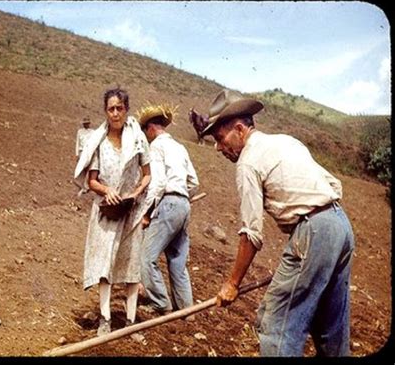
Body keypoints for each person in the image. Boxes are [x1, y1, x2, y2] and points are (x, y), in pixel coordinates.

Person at [200, 89, 355, 357]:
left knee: (276, 325)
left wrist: (232, 284)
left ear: (239, 128)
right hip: (340, 225)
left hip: (314, 231)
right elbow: (332, 183)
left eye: (220, 137)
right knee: (331, 327)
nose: (218, 146)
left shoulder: (247, 163)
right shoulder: (285, 141)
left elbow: (252, 234)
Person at [73, 88, 151, 336]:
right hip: (107, 211)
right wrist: (107, 191)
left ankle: (129, 323)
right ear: (105, 111)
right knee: (104, 265)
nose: (115, 113)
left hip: (131, 210)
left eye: (119, 108)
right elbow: (92, 180)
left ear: (126, 109)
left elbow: (148, 174)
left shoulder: (138, 139)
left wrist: (136, 192)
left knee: (130, 265)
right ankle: (105, 320)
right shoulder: (99, 142)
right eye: (111, 108)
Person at [136, 103, 199, 315]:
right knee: (178, 260)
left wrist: (146, 213)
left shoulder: (156, 147)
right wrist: (181, 196)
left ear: (151, 128)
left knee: (147, 257)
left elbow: (158, 183)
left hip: (168, 203)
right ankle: (186, 309)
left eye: (146, 131)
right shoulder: (180, 147)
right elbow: (194, 182)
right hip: (183, 205)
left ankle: (161, 304)